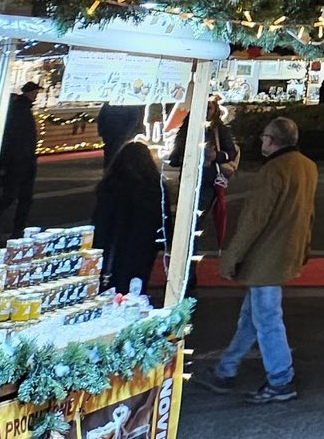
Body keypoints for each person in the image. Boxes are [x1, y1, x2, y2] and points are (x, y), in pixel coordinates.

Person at [197, 115, 318, 404]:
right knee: (252, 318)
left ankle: (280, 380)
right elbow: (308, 214)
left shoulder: (273, 171)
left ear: (272, 140)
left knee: (266, 319)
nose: (261, 141)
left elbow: (254, 219)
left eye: (264, 137)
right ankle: (226, 369)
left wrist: (231, 258)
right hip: (286, 251)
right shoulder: (307, 167)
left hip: (265, 257)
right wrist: (305, 249)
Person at [93, 135, 165, 295]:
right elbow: (163, 218)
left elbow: (101, 219)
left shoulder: (111, 185)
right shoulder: (155, 186)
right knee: (138, 280)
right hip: (144, 243)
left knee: (114, 280)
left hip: (116, 242)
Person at [170, 95, 240, 247]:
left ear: (215, 110)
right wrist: (184, 157)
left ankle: (189, 259)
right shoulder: (187, 128)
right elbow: (174, 157)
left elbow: (231, 153)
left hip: (208, 181)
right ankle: (186, 257)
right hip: (188, 180)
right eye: (202, 107)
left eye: (208, 108)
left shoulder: (219, 129)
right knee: (186, 222)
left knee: (194, 222)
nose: (205, 111)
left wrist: (217, 156)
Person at [0, 82, 42, 245]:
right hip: (19, 160)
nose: (36, 95)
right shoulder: (20, 110)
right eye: (34, 93)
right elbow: (16, 138)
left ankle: (15, 226)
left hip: (21, 159)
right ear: (29, 93)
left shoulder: (20, 108)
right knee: (12, 195)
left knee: (19, 196)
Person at [96, 104, 145, 172]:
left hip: (120, 134)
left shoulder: (129, 104)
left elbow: (134, 119)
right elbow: (101, 118)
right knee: (109, 151)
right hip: (110, 133)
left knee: (118, 151)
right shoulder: (109, 104)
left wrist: (127, 133)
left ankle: (115, 169)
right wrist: (101, 130)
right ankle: (109, 168)